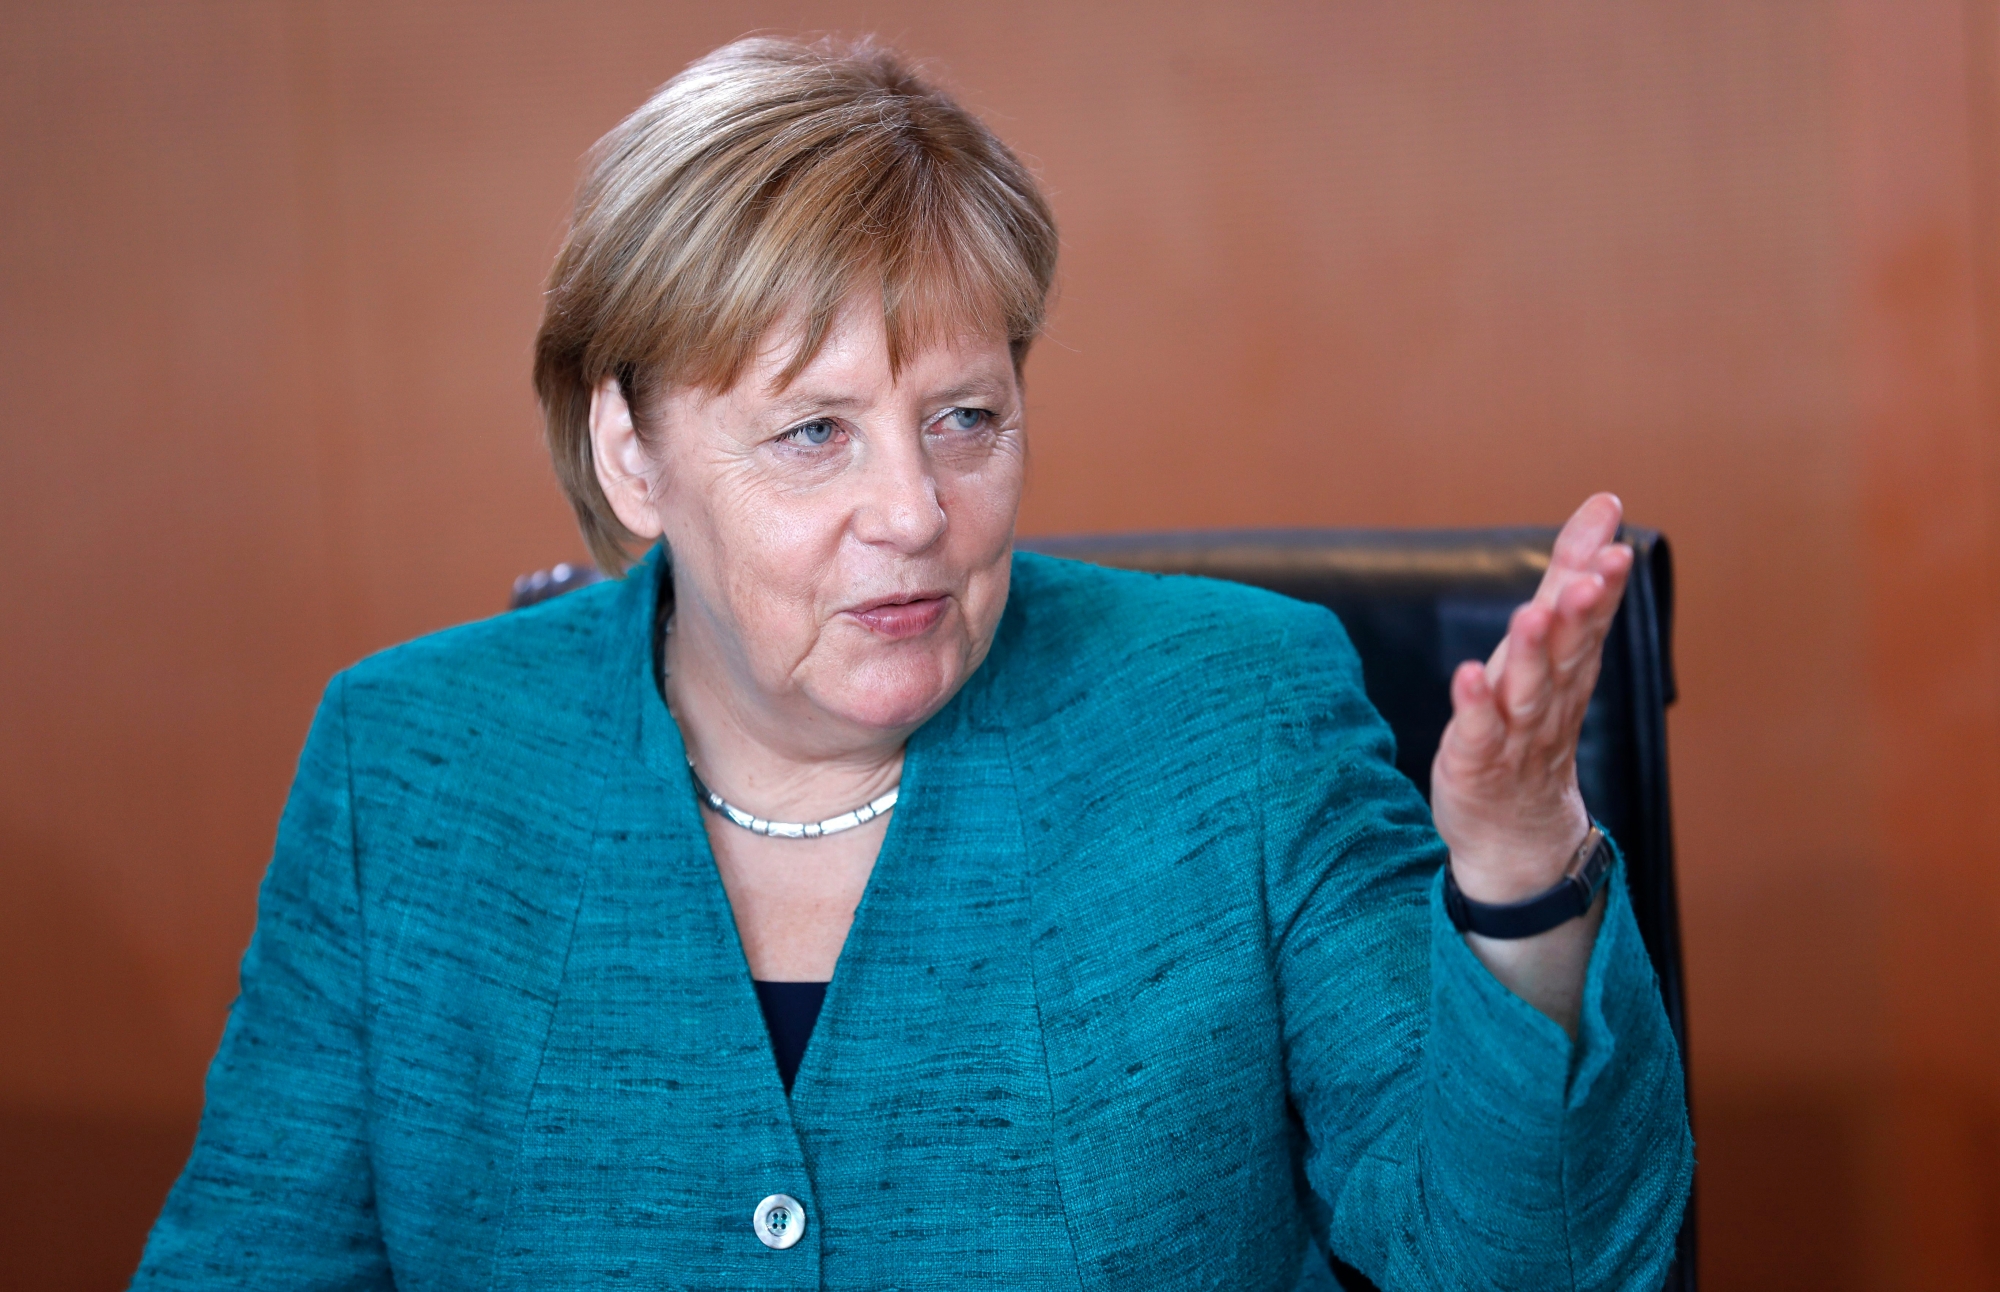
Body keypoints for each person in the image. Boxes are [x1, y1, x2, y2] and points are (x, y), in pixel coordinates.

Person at [134, 36, 1691, 1291]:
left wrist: (1513, 875)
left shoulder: (1238, 718)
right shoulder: (408, 769)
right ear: (631, 456)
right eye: (813, 433)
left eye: (966, 418)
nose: (916, 512)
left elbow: (1535, 1263)